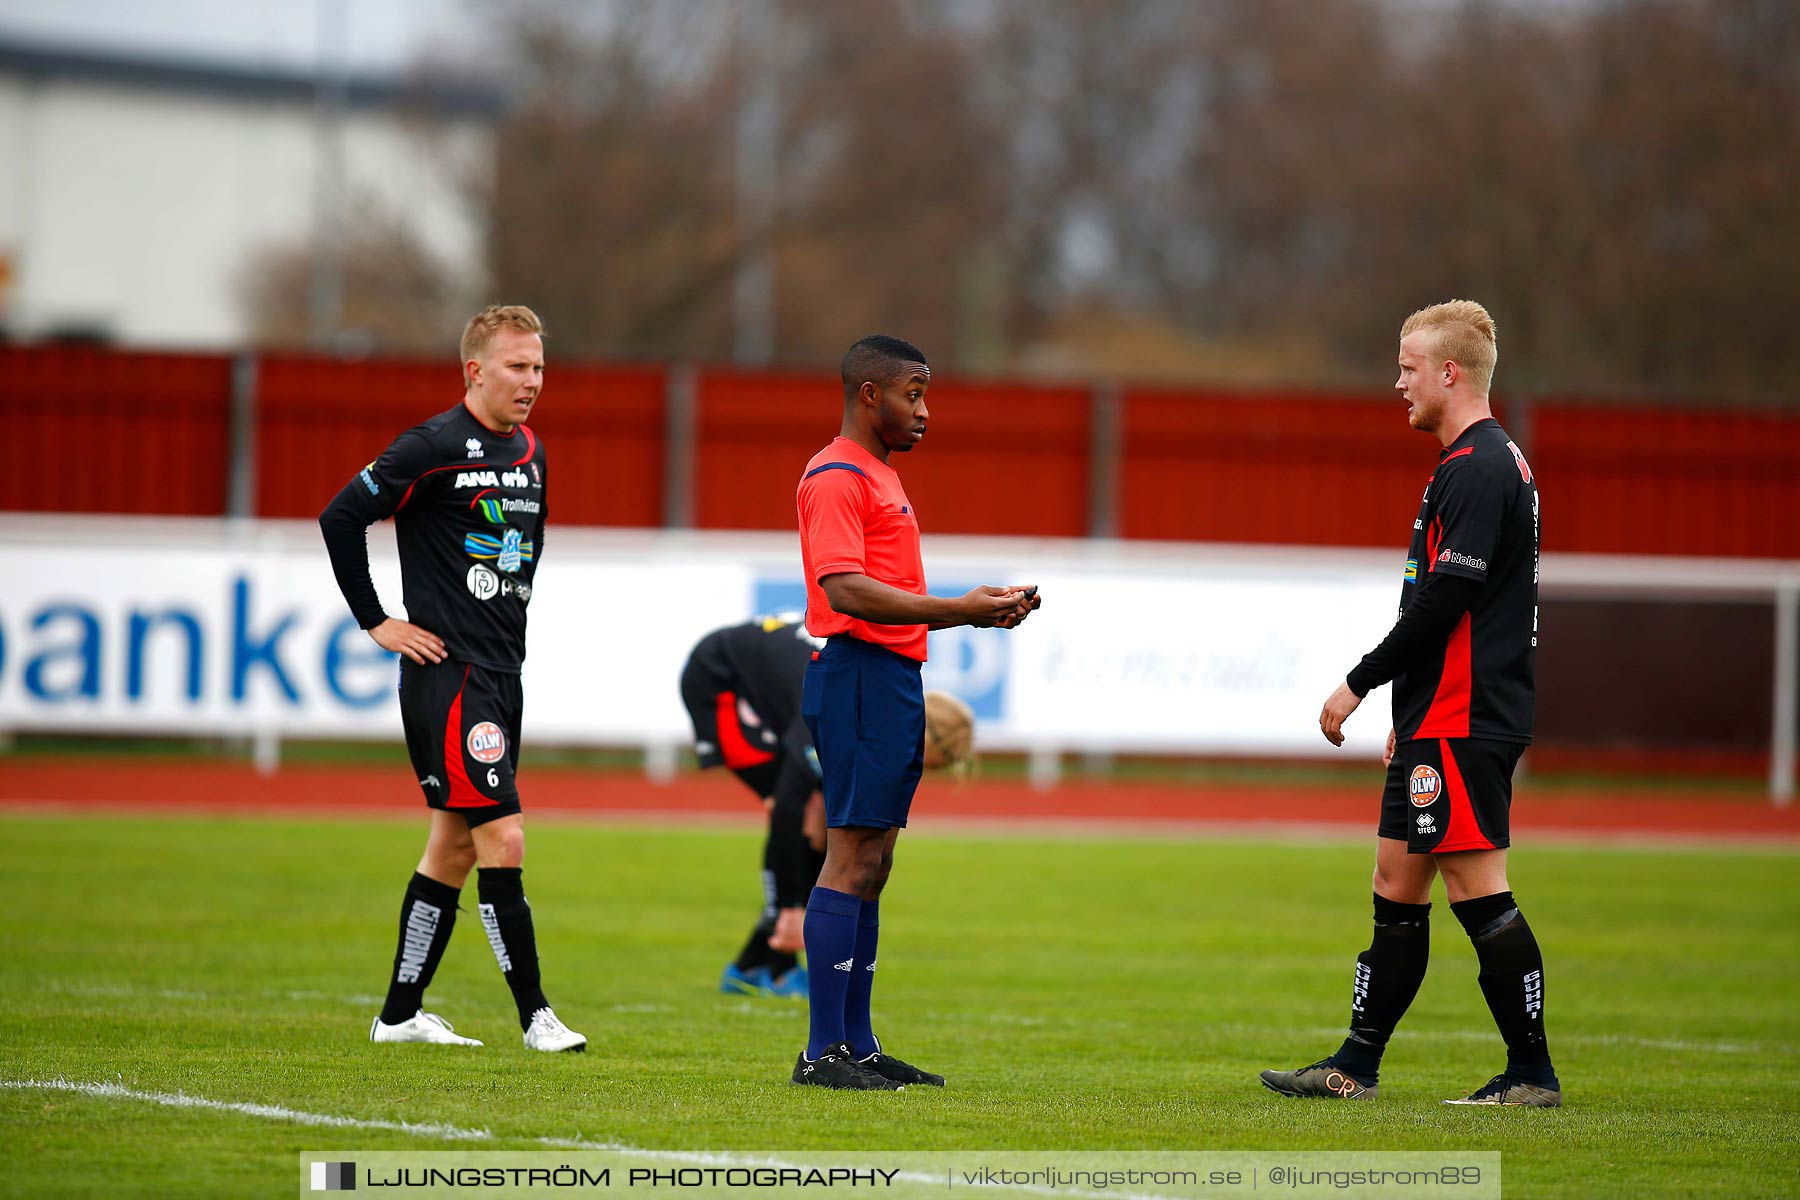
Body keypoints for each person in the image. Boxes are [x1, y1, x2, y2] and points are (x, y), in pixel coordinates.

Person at [1260, 300, 1559, 1106]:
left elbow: (1445, 601)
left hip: (1465, 717)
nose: (1399, 383)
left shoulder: (1481, 467)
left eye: (1408, 367)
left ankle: (1531, 1073)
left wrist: (1360, 682)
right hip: (1438, 716)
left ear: (1449, 372)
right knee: (1397, 882)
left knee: (1477, 886)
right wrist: (1408, 715)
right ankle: (1354, 1066)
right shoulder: (1478, 464)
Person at [319, 304, 585, 1053]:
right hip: (450, 677)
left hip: (502, 673)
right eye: (516, 367)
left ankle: (399, 1016)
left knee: (453, 848)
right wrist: (377, 620)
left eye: (538, 367)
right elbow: (340, 517)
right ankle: (536, 1016)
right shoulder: (431, 445)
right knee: (505, 838)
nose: (532, 381)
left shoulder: (531, 448)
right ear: (476, 370)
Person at [790, 334, 1041, 1091]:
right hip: (859, 674)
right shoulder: (837, 475)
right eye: (913, 393)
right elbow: (844, 589)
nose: (924, 410)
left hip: (890, 677)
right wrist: (959, 610)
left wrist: (973, 607)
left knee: (875, 859)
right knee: (850, 855)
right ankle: (821, 1052)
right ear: (870, 394)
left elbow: (882, 587)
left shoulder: (876, 475)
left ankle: (858, 1046)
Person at [679, 614, 977, 999]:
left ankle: (753, 965)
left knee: (826, 825)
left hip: (767, 673)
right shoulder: (841, 701)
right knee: (793, 807)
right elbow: (786, 808)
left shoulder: (875, 701)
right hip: (718, 675)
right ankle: (773, 962)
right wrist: (788, 907)